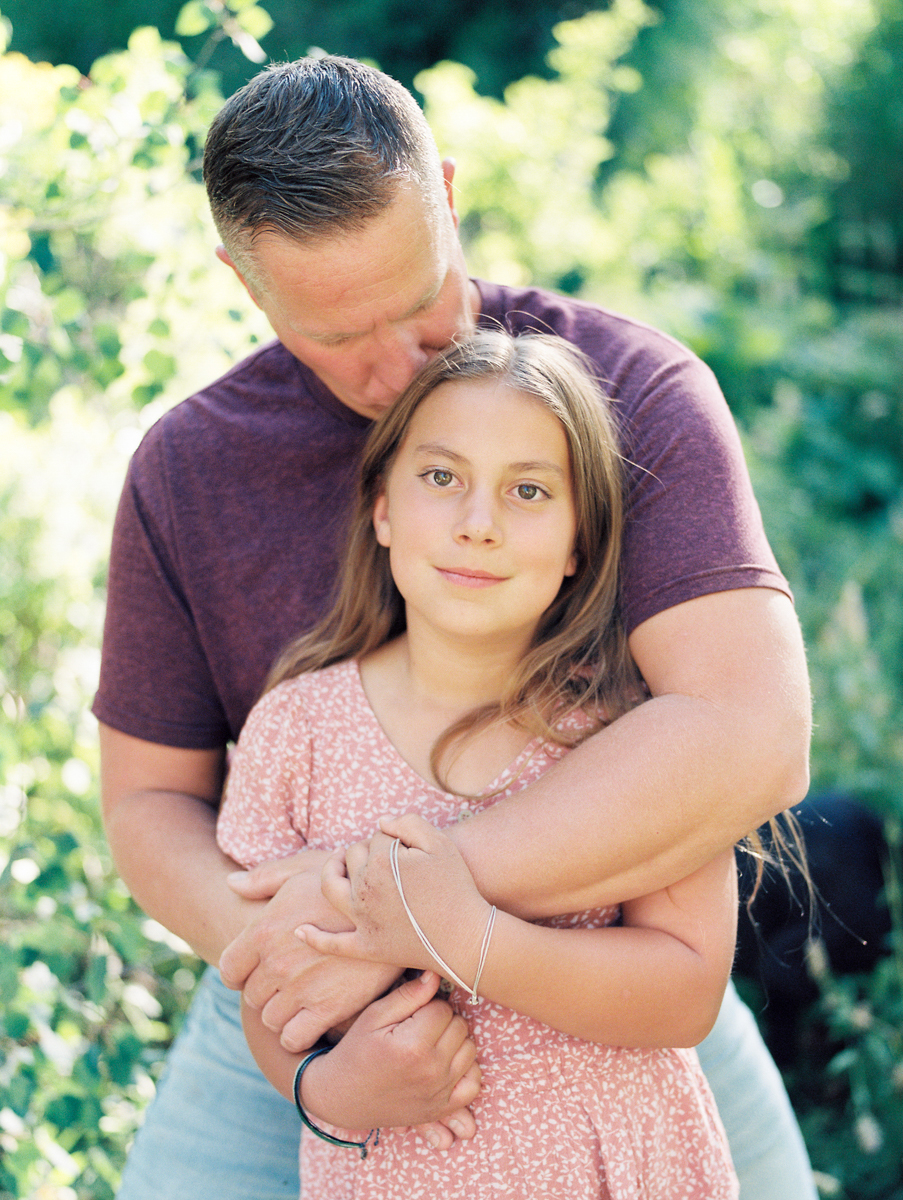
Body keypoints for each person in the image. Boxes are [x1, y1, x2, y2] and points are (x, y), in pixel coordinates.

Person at [94, 55, 814, 1199]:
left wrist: (401, 905)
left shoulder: (629, 392)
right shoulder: (188, 472)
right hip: (312, 1006)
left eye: (418, 300)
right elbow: (147, 799)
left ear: (448, 190)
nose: (397, 369)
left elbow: (755, 732)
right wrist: (307, 956)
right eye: (337, 336)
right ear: (243, 283)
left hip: (605, 983)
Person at [216, 329, 739, 1198]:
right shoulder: (297, 729)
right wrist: (330, 1087)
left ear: (579, 541)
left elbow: (685, 990)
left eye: (528, 490)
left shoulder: (629, 734)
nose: (478, 523)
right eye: (440, 478)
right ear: (381, 506)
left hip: (605, 1168)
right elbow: (272, 977)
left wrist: (471, 941)